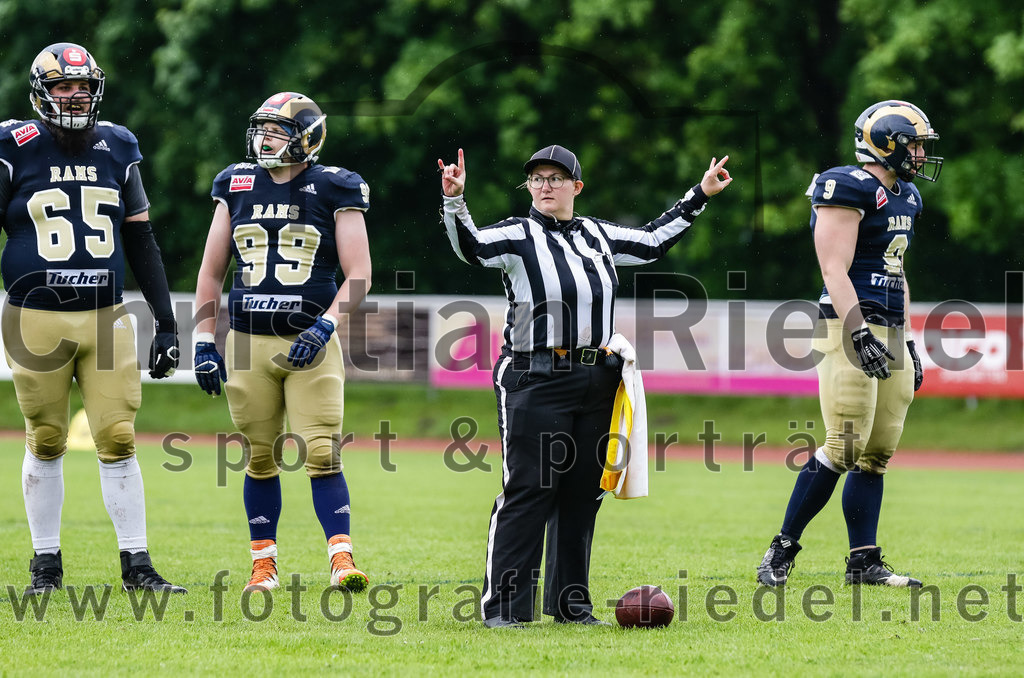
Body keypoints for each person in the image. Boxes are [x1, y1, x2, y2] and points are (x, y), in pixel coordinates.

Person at [438, 145, 732, 627]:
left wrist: (699, 194)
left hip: (597, 374)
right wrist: (455, 201)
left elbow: (654, 240)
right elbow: (471, 248)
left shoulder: (597, 233)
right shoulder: (517, 235)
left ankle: (571, 605)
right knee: (529, 488)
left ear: (576, 186)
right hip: (535, 374)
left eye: (556, 177)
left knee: (581, 492)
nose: (545, 185)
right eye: (537, 178)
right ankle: (505, 609)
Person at [0, 42, 183, 595]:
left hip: (105, 317)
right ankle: (46, 568)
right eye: (63, 87)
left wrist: (167, 321)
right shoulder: (12, 145)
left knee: (119, 436)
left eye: (82, 86)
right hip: (34, 317)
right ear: (41, 92)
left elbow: (141, 237)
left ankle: (138, 567)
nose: (75, 95)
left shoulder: (118, 145)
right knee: (48, 437)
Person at [756, 100, 942, 589]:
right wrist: (859, 330)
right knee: (844, 444)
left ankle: (864, 561)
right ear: (887, 144)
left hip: (892, 327)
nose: (921, 154)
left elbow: (897, 270)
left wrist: (911, 340)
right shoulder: (847, 185)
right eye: (914, 144)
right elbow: (833, 268)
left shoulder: (908, 198)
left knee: (878, 451)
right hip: (847, 323)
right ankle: (781, 550)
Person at [193, 92, 371, 593]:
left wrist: (326, 325)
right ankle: (263, 565)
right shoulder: (236, 182)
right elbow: (211, 271)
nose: (264, 138)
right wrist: (205, 339)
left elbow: (359, 274)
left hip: (310, 343)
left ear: (307, 136)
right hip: (248, 343)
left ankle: (341, 559)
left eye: (276, 130)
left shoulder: (335, 185)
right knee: (259, 455)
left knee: (322, 452)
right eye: (262, 129)